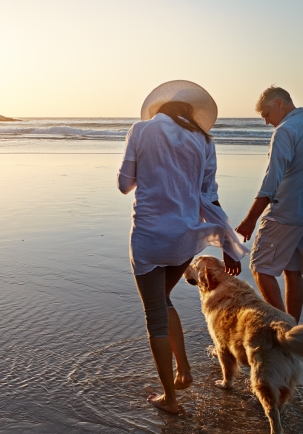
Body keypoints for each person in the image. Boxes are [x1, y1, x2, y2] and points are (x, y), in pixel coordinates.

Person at [117, 80, 249, 414]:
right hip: (185, 241)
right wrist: (228, 245)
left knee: (155, 318)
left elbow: (123, 185)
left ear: (158, 108)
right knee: (163, 300)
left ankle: (171, 400)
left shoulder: (141, 130)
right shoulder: (204, 140)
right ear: (192, 113)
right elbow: (209, 196)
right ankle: (184, 371)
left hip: (148, 238)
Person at [236, 86, 303, 323]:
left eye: (266, 114)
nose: (266, 122)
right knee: (292, 271)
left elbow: (271, 180)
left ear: (278, 103)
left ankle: (285, 331)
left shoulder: (285, 131)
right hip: (300, 215)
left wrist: (250, 219)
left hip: (284, 212)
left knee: (260, 267)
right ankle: (296, 334)